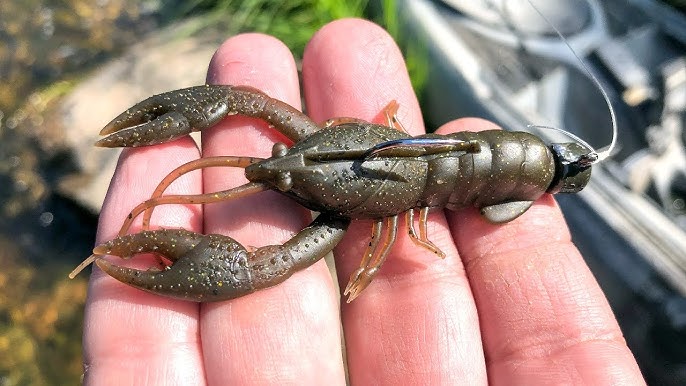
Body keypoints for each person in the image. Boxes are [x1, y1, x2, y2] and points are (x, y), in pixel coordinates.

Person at [81, 19, 645, 385]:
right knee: (242, 105)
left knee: (258, 234)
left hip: (500, 167)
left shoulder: (341, 195)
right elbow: (239, 101)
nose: (275, 166)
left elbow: (265, 256)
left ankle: (556, 170)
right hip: (459, 158)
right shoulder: (314, 159)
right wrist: (283, 171)